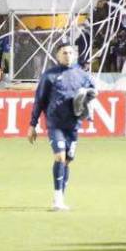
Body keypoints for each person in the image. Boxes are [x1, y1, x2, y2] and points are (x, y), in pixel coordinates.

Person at [27, 43, 96, 211]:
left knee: (68, 160)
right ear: (57, 56)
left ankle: (61, 198)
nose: (68, 55)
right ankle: (57, 199)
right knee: (60, 157)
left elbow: (93, 92)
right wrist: (32, 124)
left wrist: (88, 99)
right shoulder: (49, 76)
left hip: (73, 124)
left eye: (71, 52)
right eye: (64, 52)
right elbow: (39, 100)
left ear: (75, 55)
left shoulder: (83, 75)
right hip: (55, 123)